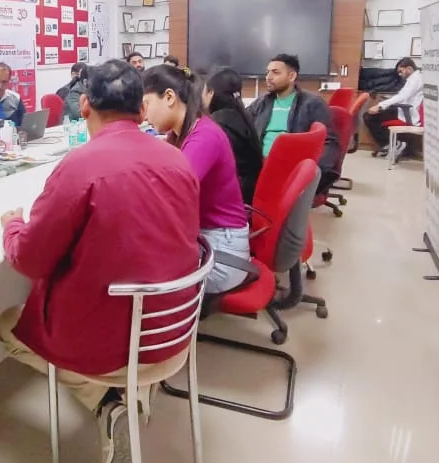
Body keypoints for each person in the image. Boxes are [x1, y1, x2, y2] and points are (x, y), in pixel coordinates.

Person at [0, 60, 201, 463]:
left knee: (7, 324)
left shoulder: (79, 167)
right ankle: (131, 396)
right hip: (174, 330)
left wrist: (12, 225)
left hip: (112, 343)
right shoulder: (178, 159)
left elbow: (30, 261)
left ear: (85, 105)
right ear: (141, 110)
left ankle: (107, 401)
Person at [143, 65, 250, 295]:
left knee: (134, 274)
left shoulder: (204, 137)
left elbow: (170, 194)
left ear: (169, 97)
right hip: (208, 238)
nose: (144, 114)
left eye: (147, 104)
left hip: (223, 254)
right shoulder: (181, 133)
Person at [247, 53, 341, 192]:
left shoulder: (312, 103)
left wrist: (312, 174)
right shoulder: (262, 102)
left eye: (275, 72)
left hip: (289, 167)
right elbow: (242, 127)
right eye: (267, 72)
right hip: (258, 164)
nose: (268, 77)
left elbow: (329, 142)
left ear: (291, 76)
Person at [205, 68, 264, 205]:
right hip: (249, 190)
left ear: (211, 93)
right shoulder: (239, 114)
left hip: (235, 198)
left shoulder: (219, 122)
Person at [365, 57, 425, 153]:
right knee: (372, 116)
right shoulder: (414, 78)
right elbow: (403, 95)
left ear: (409, 68)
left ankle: (391, 144)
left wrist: (380, 106)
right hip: (403, 110)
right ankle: (392, 144)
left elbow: (403, 96)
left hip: (407, 114)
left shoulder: (415, 79)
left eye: (401, 71)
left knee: (369, 117)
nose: (400, 74)